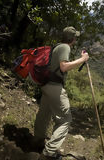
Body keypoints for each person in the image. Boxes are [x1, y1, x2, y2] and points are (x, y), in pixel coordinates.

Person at [34, 26, 89, 160]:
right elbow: (64, 67)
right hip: (55, 87)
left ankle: (37, 142)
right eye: (75, 36)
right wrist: (83, 59)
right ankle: (49, 153)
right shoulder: (65, 47)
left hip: (46, 85)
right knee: (65, 120)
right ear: (72, 38)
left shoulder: (57, 47)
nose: (76, 38)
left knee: (44, 114)